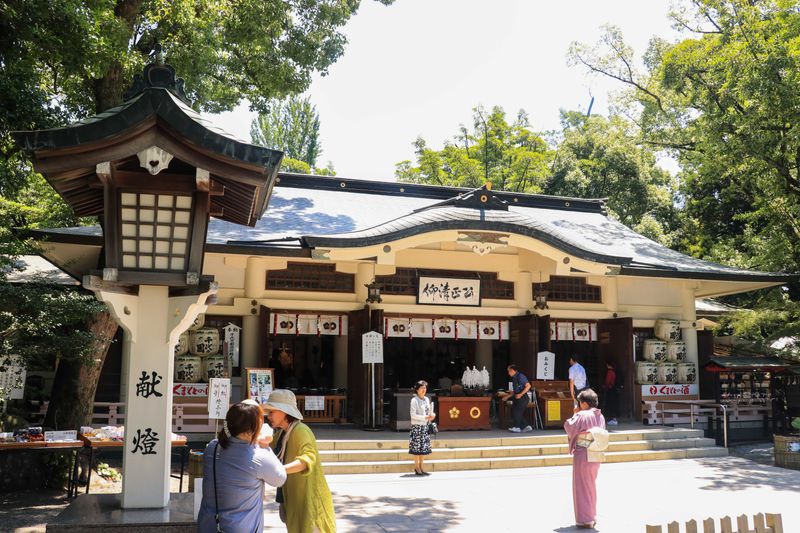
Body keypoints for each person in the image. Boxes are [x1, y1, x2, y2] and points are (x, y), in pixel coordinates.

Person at [198, 400, 287, 533]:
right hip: (241, 528)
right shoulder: (258, 456)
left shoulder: (213, 447)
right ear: (253, 429)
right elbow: (280, 478)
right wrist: (265, 446)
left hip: (208, 525)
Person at [264, 389, 336, 533]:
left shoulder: (301, 430)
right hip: (293, 499)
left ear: (284, 412)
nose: (269, 416)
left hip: (309, 501)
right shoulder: (281, 434)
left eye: (272, 411)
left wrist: (279, 470)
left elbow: (306, 460)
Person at [564, 388, 606, 530]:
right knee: (590, 485)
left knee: (581, 487)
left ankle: (585, 519)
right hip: (596, 452)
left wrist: (575, 413)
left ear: (584, 403)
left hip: (583, 453)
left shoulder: (582, 414)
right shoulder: (600, 415)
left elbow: (569, 426)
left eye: (580, 402)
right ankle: (592, 515)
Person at [409, 380, 436, 475]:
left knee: (423, 449)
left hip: (425, 427)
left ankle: (421, 467)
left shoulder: (427, 399)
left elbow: (429, 412)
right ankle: (416, 467)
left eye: (425, 388)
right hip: (417, 427)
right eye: (421, 388)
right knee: (416, 449)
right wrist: (425, 417)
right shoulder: (414, 400)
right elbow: (413, 415)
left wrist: (432, 415)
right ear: (417, 389)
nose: (424, 390)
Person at [499, 364, 532, 433]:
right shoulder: (514, 378)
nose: (508, 373)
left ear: (513, 370)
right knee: (515, 412)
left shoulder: (520, 376)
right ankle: (526, 426)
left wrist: (521, 394)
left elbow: (528, 386)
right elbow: (515, 391)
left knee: (516, 412)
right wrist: (507, 396)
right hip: (517, 397)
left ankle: (517, 427)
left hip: (523, 398)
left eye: (509, 371)